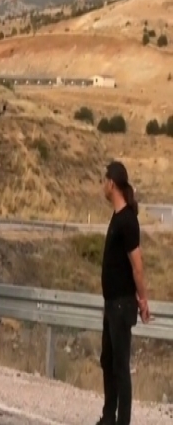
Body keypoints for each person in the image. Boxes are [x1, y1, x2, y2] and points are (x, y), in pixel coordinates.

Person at [96, 161, 151, 425]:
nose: (102, 184)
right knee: (107, 360)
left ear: (112, 183)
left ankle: (122, 421)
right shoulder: (117, 217)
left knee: (120, 366)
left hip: (122, 304)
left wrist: (143, 300)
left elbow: (137, 267)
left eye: (104, 179)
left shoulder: (128, 220)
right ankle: (109, 415)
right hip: (111, 304)